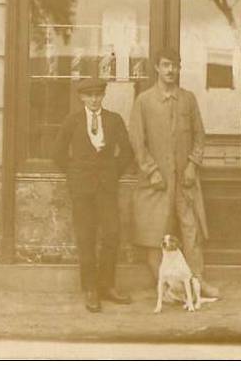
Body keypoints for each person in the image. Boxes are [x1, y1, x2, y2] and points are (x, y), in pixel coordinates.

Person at [128, 48, 220, 298]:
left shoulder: (188, 99)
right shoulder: (144, 101)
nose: (171, 70)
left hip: (185, 180)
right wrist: (151, 170)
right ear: (156, 68)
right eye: (166, 65)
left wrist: (192, 164)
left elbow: (200, 135)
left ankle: (197, 283)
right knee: (155, 232)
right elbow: (137, 140)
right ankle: (167, 289)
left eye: (175, 65)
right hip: (156, 181)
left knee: (191, 231)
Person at [51, 77, 134, 312]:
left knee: (112, 234)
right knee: (86, 237)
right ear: (82, 97)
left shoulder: (114, 120)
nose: (95, 99)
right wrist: (75, 174)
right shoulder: (72, 121)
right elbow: (57, 154)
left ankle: (107, 285)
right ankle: (90, 289)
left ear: (103, 96)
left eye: (98, 95)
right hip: (82, 190)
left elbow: (127, 152)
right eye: (90, 95)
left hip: (107, 188)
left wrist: (112, 173)